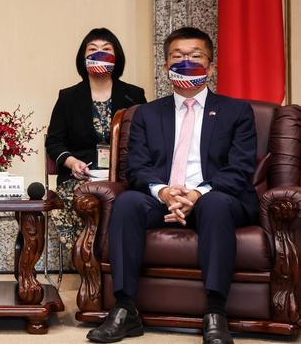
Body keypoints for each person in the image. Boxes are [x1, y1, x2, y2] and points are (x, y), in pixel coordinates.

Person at [86, 27, 258, 344]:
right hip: (162, 196)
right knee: (126, 203)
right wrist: (164, 192)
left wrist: (196, 194)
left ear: (211, 66)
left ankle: (216, 312)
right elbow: (137, 168)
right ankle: (125, 310)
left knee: (216, 204)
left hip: (214, 196)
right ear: (166, 66)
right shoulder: (146, 114)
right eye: (177, 57)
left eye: (195, 57)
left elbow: (240, 169)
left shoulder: (237, 111)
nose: (185, 63)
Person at [45, 28, 146, 248]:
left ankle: (116, 258)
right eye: (93, 50)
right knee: (78, 198)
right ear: (83, 58)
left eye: (106, 50)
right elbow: (53, 141)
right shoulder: (68, 97)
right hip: (80, 177)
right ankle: (88, 261)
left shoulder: (134, 95)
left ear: (116, 57)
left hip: (123, 176)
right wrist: (72, 163)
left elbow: (147, 139)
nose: (99, 54)